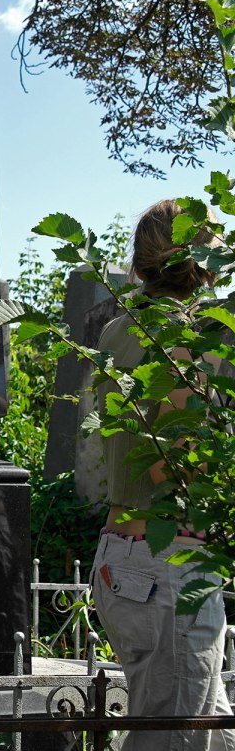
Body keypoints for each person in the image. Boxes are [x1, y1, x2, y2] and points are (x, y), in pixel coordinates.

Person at [90, 198, 235, 751]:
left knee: (209, 733)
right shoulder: (185, 338)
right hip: (169, 565)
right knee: (176, 740)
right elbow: (172, 460)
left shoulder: (122, 330)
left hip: (127, 559)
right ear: (202, 256)